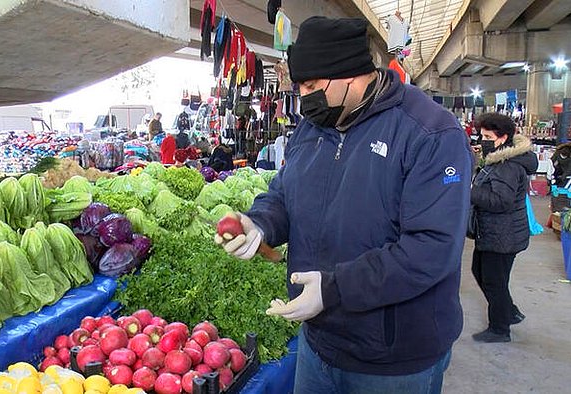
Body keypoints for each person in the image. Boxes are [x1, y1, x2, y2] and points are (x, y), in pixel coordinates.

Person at [214, 17, 472, 393]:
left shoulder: (429, 134)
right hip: (319, 343)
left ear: (351, 75)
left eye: (312, 85)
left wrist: (335, 289)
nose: (304, 97)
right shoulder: (313, 127)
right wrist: (260, 223)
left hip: (392, 361)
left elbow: (431, 249)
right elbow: (286, 192)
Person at [470, 113, 537, 343]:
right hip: (494, 232)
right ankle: (509, 312)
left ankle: (500, 329)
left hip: (502, 235)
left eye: (487, 136)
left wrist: (469, 191)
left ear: (503, 137)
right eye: (481, 134)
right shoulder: (496, 159)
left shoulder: (507, 165)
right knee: (479, 271)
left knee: (493, 281)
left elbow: (501, 201)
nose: (482, 139)